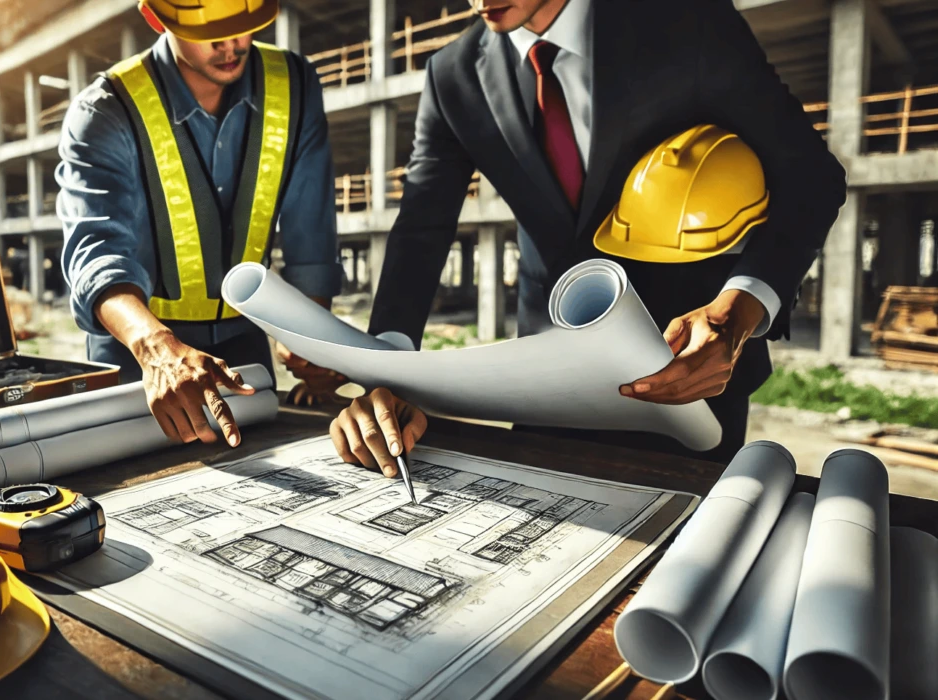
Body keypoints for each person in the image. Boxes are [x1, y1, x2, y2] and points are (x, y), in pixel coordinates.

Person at [330, 0, 847, 477]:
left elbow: (809, 177)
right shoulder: (453, 75)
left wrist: (738, 312)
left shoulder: (684, 17)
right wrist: (387, 373)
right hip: (545, 382)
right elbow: (421, 229)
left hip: (685, 374)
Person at [58, 0, 346, 449]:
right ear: (158, 18)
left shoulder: (293, 83)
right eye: (211, 34)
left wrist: (315, 341)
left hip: (245, 351)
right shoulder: (106, 109)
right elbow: (96, 251)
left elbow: (311, 228)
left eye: (243, 28)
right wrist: (154, 347)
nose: (232, 45)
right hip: (139, 355)